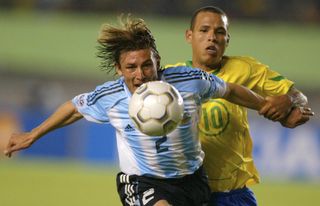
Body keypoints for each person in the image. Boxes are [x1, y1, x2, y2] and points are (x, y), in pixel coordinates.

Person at [4, 16, 289, 206]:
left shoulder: (188, 81)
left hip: (192, 179)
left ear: (157, 61)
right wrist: (33, 134)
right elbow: (73, 109)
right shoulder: (111, 96)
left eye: (147, 65)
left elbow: (230, 89)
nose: (140, 74)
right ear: (119, 69)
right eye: (131, 67)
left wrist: (263, 105)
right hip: (142, 182)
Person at [167, 6, 314, 206]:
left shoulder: (244, 69)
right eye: (204, 30)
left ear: (227, 39)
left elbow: (298, 96)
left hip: (232, 195)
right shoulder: (170, 76)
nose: (212, 37)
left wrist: (289, 101)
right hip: (186, 192)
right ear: (189, 36)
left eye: (220, 32)